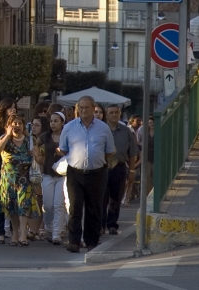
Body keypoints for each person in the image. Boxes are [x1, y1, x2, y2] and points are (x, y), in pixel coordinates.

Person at [59, 96, 115, 252]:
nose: (83, 111)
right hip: (75, 173)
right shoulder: (69, 127)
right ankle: (74, 241)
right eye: (81, 108)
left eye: (86, 108)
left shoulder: (103, 128)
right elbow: (63, 149)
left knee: (94, 208)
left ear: (93, 108)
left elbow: (109, 151)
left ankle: (91, 241)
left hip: (97, 173)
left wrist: (94, 159)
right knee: (75, 207)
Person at [0, 114, 40, 247]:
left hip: (25, 179)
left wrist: (35, 155)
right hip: (9, 179)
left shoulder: (30, 140)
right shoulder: (4, 138)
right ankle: (14, 235)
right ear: (8, 126)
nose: (17, 126)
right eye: (14, 123)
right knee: (12, 207)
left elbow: (39, 157)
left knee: (24, 205)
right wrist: (7, 135)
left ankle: (23, 235)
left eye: (20, 123)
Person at [103, 105, 139, 235]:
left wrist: (132, 172)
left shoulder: (126, 131)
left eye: (116, 112)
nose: (113, 115)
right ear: (106, 115)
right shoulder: (101, 130)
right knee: (102, 197)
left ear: (120, 114)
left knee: (116, 197)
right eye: (111, 112)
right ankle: (101, 224)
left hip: (119, 167)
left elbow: (132, 153)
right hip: (102, 167)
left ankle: (112, 224)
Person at [35, 112, 67, 245]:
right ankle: (49, 228)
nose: (53, 124)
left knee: (59, 204)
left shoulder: (66, 136)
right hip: (47, 174)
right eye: (51, 121)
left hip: (63, 175)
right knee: (47, 205)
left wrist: (63, 152)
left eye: (56, 121)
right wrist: (38, 156)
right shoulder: (45, 136)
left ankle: (57, 233)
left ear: (62, 123)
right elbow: (35, 144)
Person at [0, 98, 16, 243]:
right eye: (9, 107)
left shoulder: (18, 124)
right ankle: (1, 231)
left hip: (16, 166)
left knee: (14, 199)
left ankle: (14, 231)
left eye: (14, 107)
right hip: (1, 166)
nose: (13, 109)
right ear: (3, 109)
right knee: (1, 199)